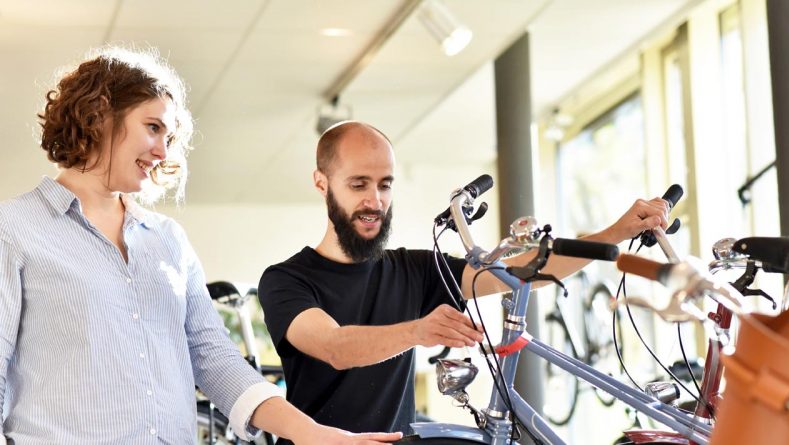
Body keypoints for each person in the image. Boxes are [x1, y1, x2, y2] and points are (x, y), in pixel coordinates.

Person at [0, 48, 401, 445]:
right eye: (153, 127)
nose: (162, 151)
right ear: (99, 112)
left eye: (168, 136)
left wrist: (313, 435)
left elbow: (214, 358)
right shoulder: (15, 230)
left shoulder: (167, 240)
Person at [258, 121, 670, 441]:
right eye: (358, 184)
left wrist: (614, 232)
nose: (375, 201)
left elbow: (523, 269)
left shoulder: (415, 269)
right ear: (322, 183)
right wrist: (419, 331)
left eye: (385, 185)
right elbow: (335, 347)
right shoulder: (286, 281)